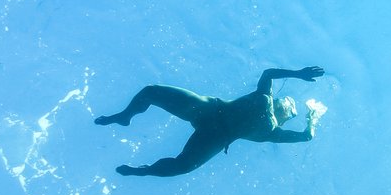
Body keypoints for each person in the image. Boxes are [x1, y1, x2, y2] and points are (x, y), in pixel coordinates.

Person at [96, 66, 326, 177]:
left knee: (182, 166)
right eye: (288, 103)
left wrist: (311, 115)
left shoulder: (272, 128)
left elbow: (306, 136)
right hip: (210, 112)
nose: (289, 106)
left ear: (286, 118)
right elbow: (268, 73)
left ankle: (143, 171)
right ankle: (126, 116)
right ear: (279, 102)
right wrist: (299, 77)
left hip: (214, 132)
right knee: (151, 91)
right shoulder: (265, 102)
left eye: (290, 109)